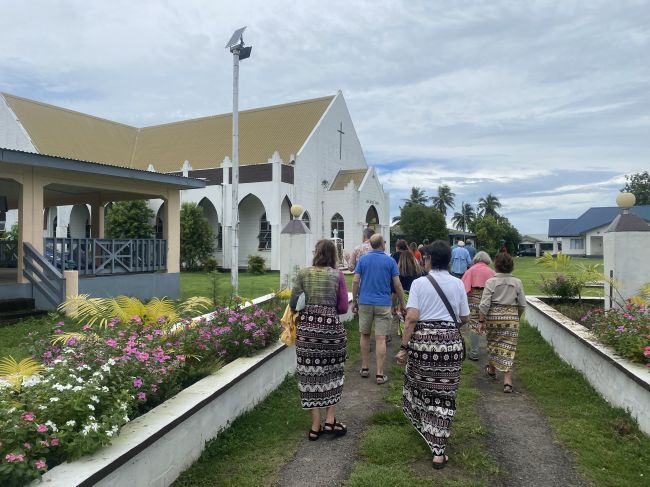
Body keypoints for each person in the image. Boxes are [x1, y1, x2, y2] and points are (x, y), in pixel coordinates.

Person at [395, 240, 469, 469]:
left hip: (423, 345)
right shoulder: (457, 284)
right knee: (445, 395)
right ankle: (439, 448)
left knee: (422, 389)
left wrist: (404, 347)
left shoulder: (419, 284)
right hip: (449, 347)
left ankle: (430, 432)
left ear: (428, 259)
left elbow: (412, 318)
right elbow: (464, 318)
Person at [290, 239, 350, 440]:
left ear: (316, 253)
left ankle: (315, 426)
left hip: (308, 333)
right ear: (334, 255)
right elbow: (342, 307)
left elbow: (293, 303)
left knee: (309, 375)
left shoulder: (303, 274)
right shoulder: (337, 275)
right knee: (333, 373)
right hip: (332, 332)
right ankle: (330, 421)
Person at [353, 234, 406, 384]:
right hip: (383, 303)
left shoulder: (363, 260)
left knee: (365, 334)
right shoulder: (390, 261)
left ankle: (364, 367)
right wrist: (402, 303)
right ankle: (380, 373)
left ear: (370, 244)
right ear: (382, 244)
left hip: (365, 302)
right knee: (381, 337)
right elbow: (397, 284)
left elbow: (356, 281)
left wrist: (356, 300)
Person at [479, 252, 526, 393]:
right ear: (511, 266)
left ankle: (492, 370)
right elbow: (522, 304)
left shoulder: (491, 282)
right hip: (511, 319)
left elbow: (484, 305)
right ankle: (507, 380)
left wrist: (481, 320)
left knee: (493, 344)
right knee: (508, 347)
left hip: (493, 318)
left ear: (496, 266)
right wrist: (515, 316)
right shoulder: (517, 282)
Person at [461, 251, 495, 361]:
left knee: (474, 325)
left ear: (475, 259)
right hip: (488, 299)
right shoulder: (492, 271)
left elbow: (463, 288)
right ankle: (492, 352)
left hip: (473, 301)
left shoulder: (470, 271)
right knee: (489, 324)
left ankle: (474, 352)